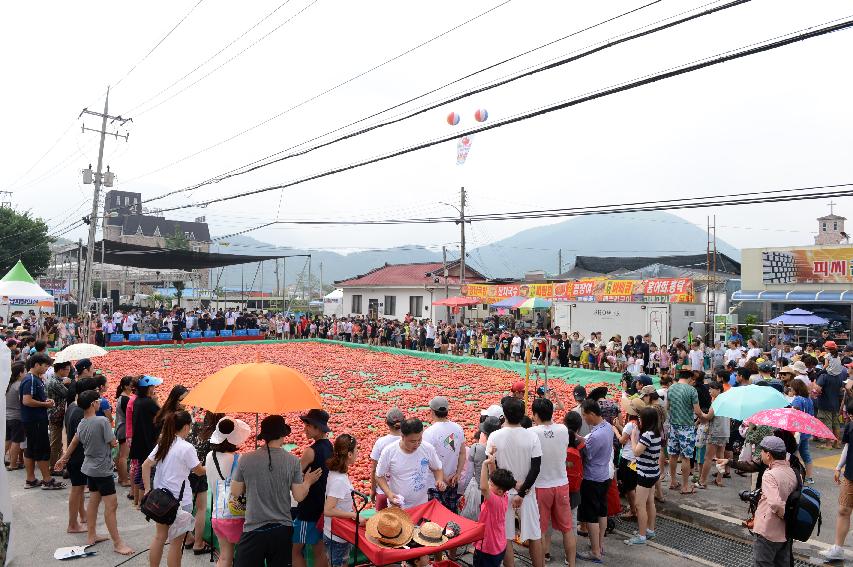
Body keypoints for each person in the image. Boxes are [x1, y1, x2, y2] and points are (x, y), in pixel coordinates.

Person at [231, 415, 322, 567]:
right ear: (282, 435)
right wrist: (307, 482)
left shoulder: (246, 459)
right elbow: (299, 496)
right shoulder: (292, 461)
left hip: (254, 528)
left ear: (264, 436)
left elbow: (236, 491)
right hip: (282, 529)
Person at [55, 390, 133, 555]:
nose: (99, 402)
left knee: (94, 501)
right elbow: (112, 443)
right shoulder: (102, 421)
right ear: (93, 404)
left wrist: (63, 459)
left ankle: (91, 535)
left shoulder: (82, 423)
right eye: (97, 401)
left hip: (89, 468)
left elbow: (74, 442)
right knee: (111, 506)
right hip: (102, 470)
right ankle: (118, 543)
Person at [142, 410, 206, 567]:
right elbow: (198, 471)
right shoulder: (186, 447)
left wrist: (148, 490)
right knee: (176, 544)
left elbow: (145, 465)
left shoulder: (164, 443)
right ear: (185, 427)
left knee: (159, 537)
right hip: (179, 502)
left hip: (160, 498)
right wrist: (208, 466)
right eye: (190, 426)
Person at [486, 397, 544, 567]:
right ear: (523, 414)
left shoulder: (494, 436)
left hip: (503, 492)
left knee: (506, 536)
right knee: (534, 535)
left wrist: (513, 486)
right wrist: (522, 491)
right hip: (527, 492)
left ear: (504, 415)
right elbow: (536, 468)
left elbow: (494, 471)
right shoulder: (532, 436)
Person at [531, 398, 574, 567]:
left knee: (539, 530)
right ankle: (571, 564)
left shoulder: (532, 433)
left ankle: (541, 562)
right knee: (567, 528)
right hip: (562, 484)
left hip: (541, 486)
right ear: (552, 413)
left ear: (535, 415)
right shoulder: (563, 429)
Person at [206, 417, 252, 567]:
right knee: (243, 556)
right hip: (235, 516)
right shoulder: (237, 460)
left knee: (225, 557)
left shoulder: (209, 456)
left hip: (216, 514)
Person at [376, 418, 446, 508]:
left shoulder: (428, 448)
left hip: (421, 505)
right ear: (402, 436)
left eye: (419, 439)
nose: (417, 444)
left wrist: (439, 480)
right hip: (398, 505)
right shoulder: (389, 451)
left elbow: (437, 468)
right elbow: (379, 476)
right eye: (412, 441)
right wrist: (389, 493)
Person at [294, 409, 333, 567]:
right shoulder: (330, 446)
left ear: (317, 428)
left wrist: (305, 479)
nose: (305, 428)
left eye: (308, 425)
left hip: (308, 509)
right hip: (323, 506)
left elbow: (294, 475)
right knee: (319, 549)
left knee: (294, 550)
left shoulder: (310, 451)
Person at [577, 399, 615, 563]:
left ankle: (595, 552)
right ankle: (600, 545)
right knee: (601, 511)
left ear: (592, 414)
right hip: (604, 476)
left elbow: (585, 455)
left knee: (591, 515)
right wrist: (578, 437)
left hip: (592, 477)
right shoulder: (607, 427)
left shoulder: (596, 435)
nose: (584, 419)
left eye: (585, 415)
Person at [751, 436, 798, 567]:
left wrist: (784, 515)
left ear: (768, 455)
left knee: (762, 563)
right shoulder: (792, 472)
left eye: (762, 451)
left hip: (768, 530)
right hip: (785, 532)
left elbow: (775, 503)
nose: (760, 454)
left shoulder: (770, 475)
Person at [20, 353, 65, 489]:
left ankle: (31, 479)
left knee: (31, 449)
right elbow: (26, 400)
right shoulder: (31, 380)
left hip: (32, 420)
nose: (46, 368)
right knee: (41, 449)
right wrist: (45, 404)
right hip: (35, 420)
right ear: (36, 365)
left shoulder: (35, 379)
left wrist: (45, 401)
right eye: (45, 365)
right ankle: (47, 480)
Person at [323, 433, 366, 567]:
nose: (358, 452)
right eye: (356, 450)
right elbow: (328, 510)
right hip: (336, 535)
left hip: (333, 531)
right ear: (349, 454)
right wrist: (354, 515)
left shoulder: (335, 472)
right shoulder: (339, 480)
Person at [820, 399, 853, 561]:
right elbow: (847, 447)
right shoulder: (850, 425)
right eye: (850, 415)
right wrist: (838, 467)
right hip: (850, 475)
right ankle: (838, 549)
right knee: (843, 510)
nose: (851, 419)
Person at [625, 406, 662, 545]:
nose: (639, 420)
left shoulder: (647, 435)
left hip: (645, 474)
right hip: (653, 472)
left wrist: (634, 437)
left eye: (640, 418)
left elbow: (636, 452)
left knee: (639, 505)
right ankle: (650, 530)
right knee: (649, 502)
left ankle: (641, 536)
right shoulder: (657, 433)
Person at [474, 447, 516, 567]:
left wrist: (483, 464)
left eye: (491, 484)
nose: (488, 483)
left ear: (499, 490)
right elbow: (493, 475)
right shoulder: (504, 495)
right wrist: (491, 459)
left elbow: (483, 487)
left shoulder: (494, 501)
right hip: (499, 545)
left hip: (487, 547)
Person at [667, 369, 706, 494]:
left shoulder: (671, 388)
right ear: (690, 378)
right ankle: (685, 486)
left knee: (673, 456)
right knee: (686, 457)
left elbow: (667, 407)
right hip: (687, 427)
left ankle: (672, 481)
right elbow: (697, 411)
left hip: (673, 425)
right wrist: (706, 417)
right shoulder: (691, 390)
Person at [423, 396, 467, 506]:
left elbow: (427, 461)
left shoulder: (429, 433)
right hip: (452, 481)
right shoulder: (458, 428)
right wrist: (457, 473)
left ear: (432, 411)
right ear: (447, 411)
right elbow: (462, 453)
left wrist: (443, 478)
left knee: (435, 519)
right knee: (450, 515)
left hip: (435, 483)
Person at [129, 375, 163, 502]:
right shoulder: (148, 403)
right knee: (147, 472)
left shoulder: (138, 400)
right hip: (147, 441)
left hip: (139, 440)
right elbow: (162, 415)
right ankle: (143, 502)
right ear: (149, 388)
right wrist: (156, 401)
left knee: (140, 469)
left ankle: (137, 501)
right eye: (153, 386)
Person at [369, 408, 405, 510]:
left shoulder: (381, 442)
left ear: (386, 422)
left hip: (383, 491)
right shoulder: (410, 441)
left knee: (381, 523)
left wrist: (373, 489)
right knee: (404, 523)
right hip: (402, 494)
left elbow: (374, 470)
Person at [45, 361, 72, 472]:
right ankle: (52, 467)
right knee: (55, 442)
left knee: (58, 441)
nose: (69, 371)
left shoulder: (57, 380)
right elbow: (68, 394)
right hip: (55, 414)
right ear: (60, 370)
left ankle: (57, 463)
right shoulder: (55, 382)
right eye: (67, 369)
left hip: (57, 414)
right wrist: (67, 384)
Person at [789, 379, 815, 484]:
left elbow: (793, 414)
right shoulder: (808, 399)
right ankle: (809, 477)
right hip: (806, 431)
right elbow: (811, 415)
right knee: (806, 454)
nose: (791, 390)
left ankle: (797, 476)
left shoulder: (797, 400)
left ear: (796, 389)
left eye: (792, 388)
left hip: (797, 431)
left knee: (794, 454)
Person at [113, 376, 134, 487]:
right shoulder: (126, 399)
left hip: (121, 428)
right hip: (125, 428)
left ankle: (122, 478)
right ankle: (125, 479)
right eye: (131, 384)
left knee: (121, 455)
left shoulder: (122, 397)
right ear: (126, 386)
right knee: (124, 456)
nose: (133, 386)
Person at [5, 362, 25, 472]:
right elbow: (23, 401)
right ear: (19, 373)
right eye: (24, 371)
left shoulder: (8, 384)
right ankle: (13, 464)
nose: (25, 373)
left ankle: (4, 460)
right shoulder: (19, 385)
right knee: (16, 441)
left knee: (7, 440)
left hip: (7, 415)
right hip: (17, 417)